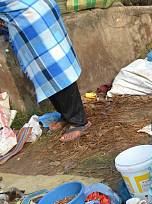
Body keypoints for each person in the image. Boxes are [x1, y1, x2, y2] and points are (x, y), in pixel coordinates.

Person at [0, 0, 90, 142]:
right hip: (33, 11)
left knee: (57, 69)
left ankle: (79, 121)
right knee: (44, 74)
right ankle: (66, 115)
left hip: (32, 15)